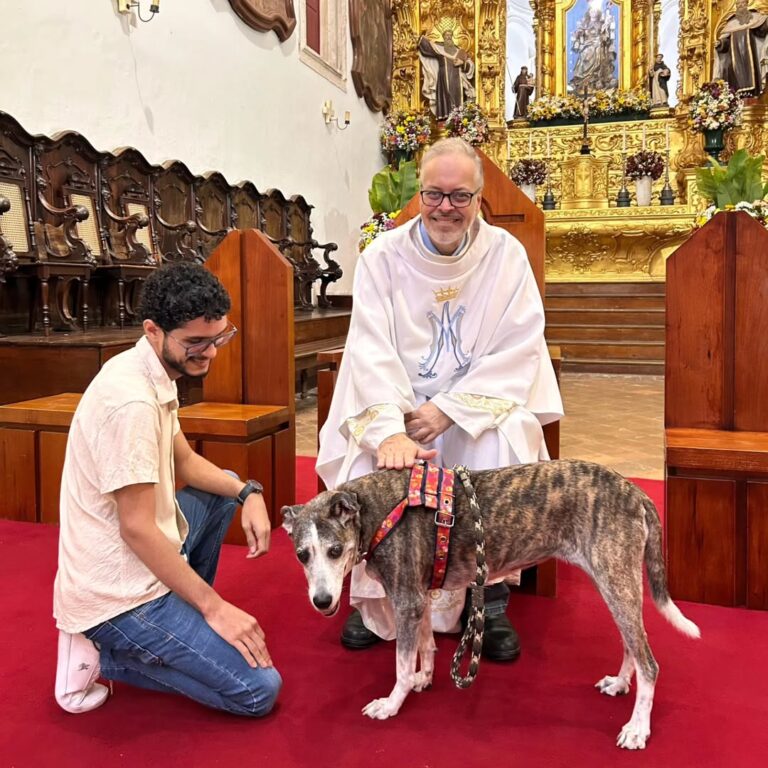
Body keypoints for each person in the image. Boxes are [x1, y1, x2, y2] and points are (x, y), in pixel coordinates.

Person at [316, 138, 563, 661]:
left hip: (470, 404)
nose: (445, 207)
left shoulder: (505, 256)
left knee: (505, 438)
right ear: (420, 193)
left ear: (478, 198)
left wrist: (449, 410)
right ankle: (375, 599)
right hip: (397, 403)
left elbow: (520, 345)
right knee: (368, 455)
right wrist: (393, 430)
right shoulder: (383, 256)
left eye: (459, 196)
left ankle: (486, 600)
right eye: (434, 194)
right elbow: (369, 347)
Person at [53, 262, 282, 716]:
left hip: (141, 558)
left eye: (218, 337)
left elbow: (186, 462)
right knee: (258, 690)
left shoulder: (152, 369)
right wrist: (214, 608)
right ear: (153, 331)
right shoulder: (131, 402)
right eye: (195, 343)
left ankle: (178, 624)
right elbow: (136, 529)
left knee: (224, 490)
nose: (211, 353)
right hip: (118, 592)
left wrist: (249, 492)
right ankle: (110, 654)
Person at [713, 0, 768, 96]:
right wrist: (720, 44)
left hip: (751, 55)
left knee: (753, 73)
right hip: (735, 57)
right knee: (734, 75)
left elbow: (761, 32)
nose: (740, 5)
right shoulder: (731, 23)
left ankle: (755, 93)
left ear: (747, 4)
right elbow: (726, 43)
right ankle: (737, 95)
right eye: (738, 4)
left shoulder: (755, 18)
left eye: (742, 3)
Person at [418, 28, 476, 120]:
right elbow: (426, 47)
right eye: (446, 36)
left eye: (450, 35)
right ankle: (445, 119)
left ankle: (457, 119)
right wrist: (421, 37)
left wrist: (462, 63)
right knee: (445, 100)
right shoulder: (438, 48)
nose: (448, 37)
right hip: (443, 79)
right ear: (443, 37)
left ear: (452, 37)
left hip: (457, 81)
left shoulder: (459, 51)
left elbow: (471, 65)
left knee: (458, 102)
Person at [569, 3, 617, 93]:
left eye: (595, 11)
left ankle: (597, 78)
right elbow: (578, 36)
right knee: (585, 53)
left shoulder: (601, 23)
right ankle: (582, 79)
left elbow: (605, 37)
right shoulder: (584, 23)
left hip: (598, 45)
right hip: (586, 46)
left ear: (598, 13)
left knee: (598, 48)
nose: (593, 13)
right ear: (589, 12)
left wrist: (605, 27)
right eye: (592, 11)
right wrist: (578, 34)